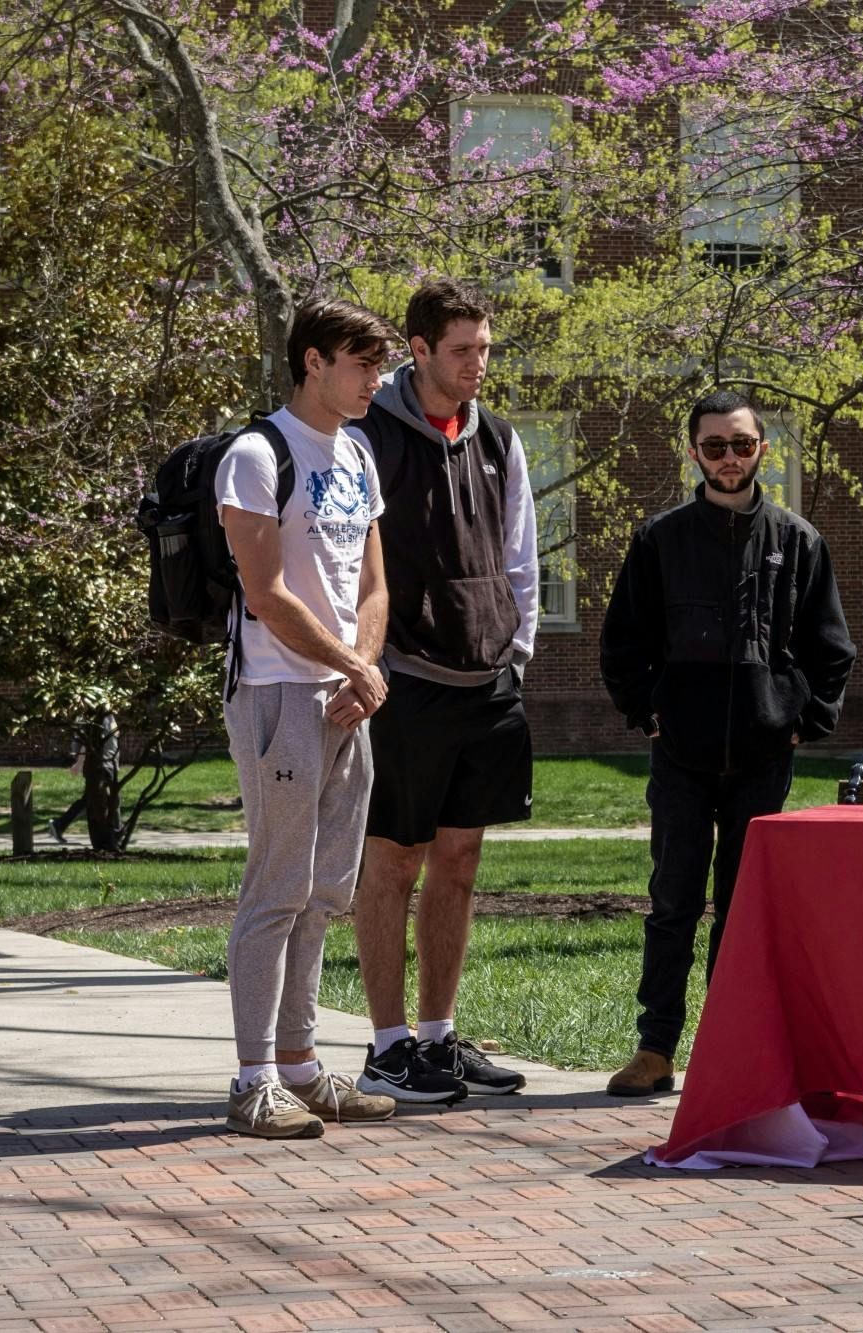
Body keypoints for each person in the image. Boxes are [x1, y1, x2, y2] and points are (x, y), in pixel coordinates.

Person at [599, 389, 857, 1096]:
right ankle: (655, 1048)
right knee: (673, 900)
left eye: (742, 444)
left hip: (762, 757)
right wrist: (648, 714)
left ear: (762, 449)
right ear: (694, 453)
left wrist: (800, 720)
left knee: (744, 910)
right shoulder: (660, 539)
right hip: (679, 754)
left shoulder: (798, 541)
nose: (730, 458)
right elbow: (623, 645)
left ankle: (731, 1048)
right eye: (715, 446)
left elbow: (832, 651)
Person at [214, 298, 403, 1138]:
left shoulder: (357, 450)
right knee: (276, 888)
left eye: (380, 366)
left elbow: (373, 586)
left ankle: (299, 1064)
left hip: (344, 697)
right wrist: (349, 665)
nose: (376, 381)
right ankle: (253, 1077)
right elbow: (265, 592)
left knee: (326, 891)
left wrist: (362, 673)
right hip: (278, 694)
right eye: (363, 365)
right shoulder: (257, 455)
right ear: (315, 361)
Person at [351, 280, 540, 1104]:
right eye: (462, 350)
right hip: (406, 682)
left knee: (460, 861)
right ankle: (388, 1046)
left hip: (487, 680)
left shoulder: (498, 436)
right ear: (418, 349)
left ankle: (438, 1036)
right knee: (395, 858)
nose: (477, 365)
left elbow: (520, 550)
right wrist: (367, 663)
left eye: (485, 348)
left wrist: (518, 647)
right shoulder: (368, 436)